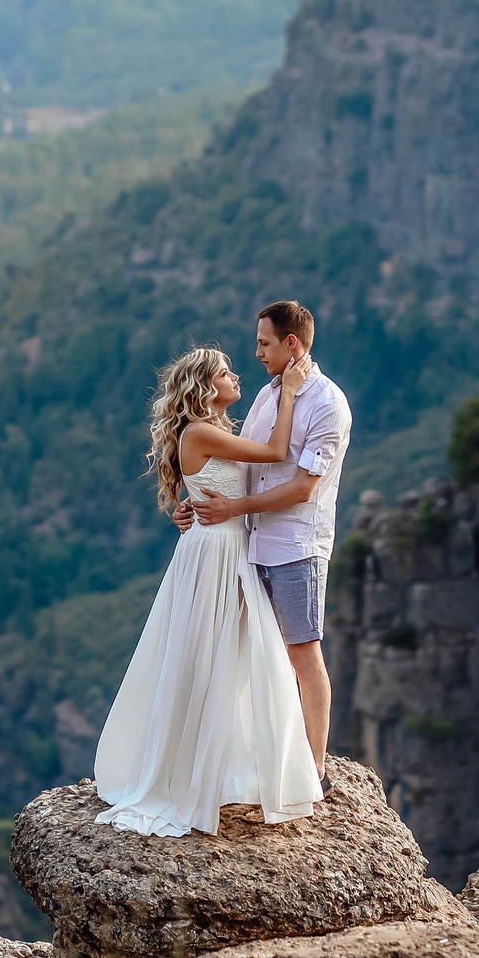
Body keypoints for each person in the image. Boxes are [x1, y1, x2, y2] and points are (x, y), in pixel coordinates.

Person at [92, 343, 324, 836]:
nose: (236, 375)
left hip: (223, 547)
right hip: (216, 552)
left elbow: (211, 487)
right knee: (211, 655)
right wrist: (290, 394)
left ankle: (221, 768)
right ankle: (195, 772)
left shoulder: (212, 431)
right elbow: (277, 453)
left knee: (233, 655)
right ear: (204, 386)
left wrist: (188, 507)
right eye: (226, 372)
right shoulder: (201, 431)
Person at [174, 301, 346, 779]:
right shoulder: (270, 396)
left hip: (295, 546)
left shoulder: (327, 404)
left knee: (301, 651)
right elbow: (247, 471)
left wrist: (231, 508)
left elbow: (304, 487)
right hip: (248, 547)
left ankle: (312, 766)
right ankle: (258, 755)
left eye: (264, 343)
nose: (256, 353)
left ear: (292, 343)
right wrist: (198, 502)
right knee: (253, 652)